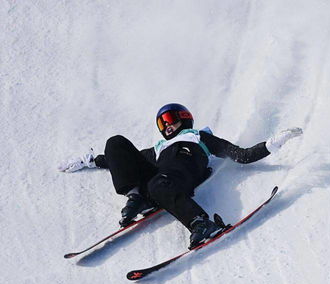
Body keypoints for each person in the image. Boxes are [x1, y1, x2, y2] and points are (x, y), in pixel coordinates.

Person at [58, 103, 302, 249]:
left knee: (157, 182)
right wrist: (91, 161)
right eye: (162, 123)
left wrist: (273, 143)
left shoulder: (200, 137)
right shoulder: (158, 148)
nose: (166, 126)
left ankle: (200, 223)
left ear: (184, 118)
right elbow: (123, 160)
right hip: (157, 183)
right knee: (116, 143)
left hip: (178, 179)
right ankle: (136, 198)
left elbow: (242, 155)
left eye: (169, 119)